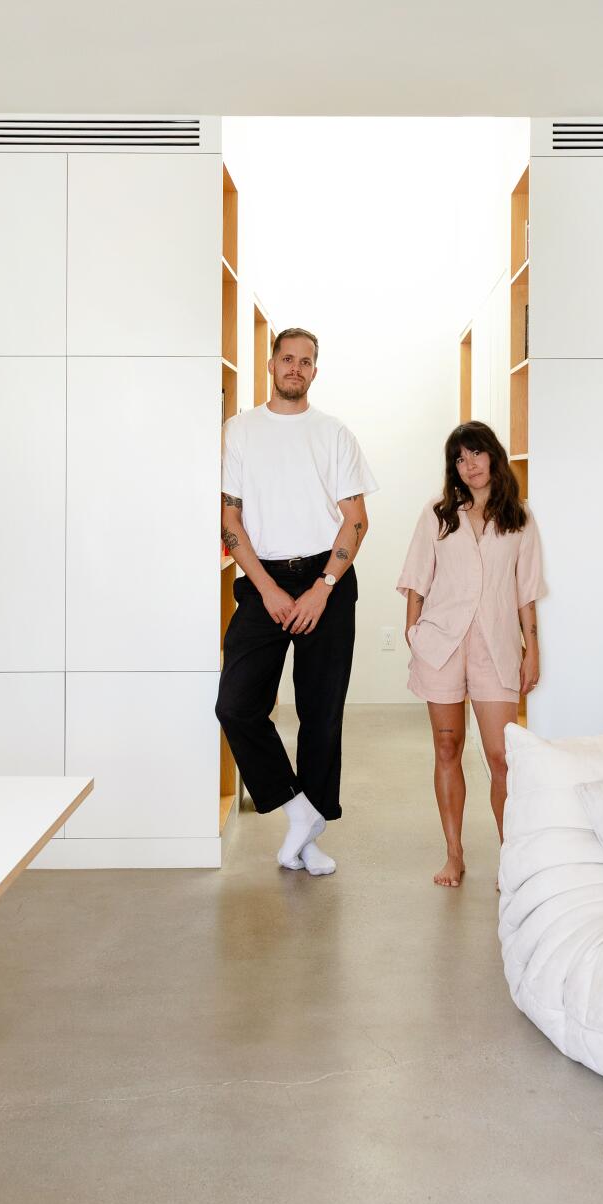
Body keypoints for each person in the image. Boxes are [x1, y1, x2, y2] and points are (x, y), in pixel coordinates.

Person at [216, 328, 376, 877]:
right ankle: (297, 808)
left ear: (314, 371)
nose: (296, 368)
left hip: (326, 581)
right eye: (288, 358)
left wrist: (320, 589)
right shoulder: (238, 431)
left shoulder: (333, 434)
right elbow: (230, 519)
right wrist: (267, 588)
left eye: (306, 362)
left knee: (321, 714)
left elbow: (355, 520)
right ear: (271, 364)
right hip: (264, 580)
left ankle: (309, 840)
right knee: (236, 704)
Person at [395, 420, 544, 888]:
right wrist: (412, 631)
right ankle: (454, 855)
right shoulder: (437, 514)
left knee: (501, 756)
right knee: (447, 747)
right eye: (460, 458)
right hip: (441, 644)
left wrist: (531, 649)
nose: (469, 464)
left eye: (476, 454)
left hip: (497, 646)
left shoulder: (519, 517)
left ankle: (511, 857)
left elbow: (527, 592)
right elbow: (417, 577)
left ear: (493, 456)